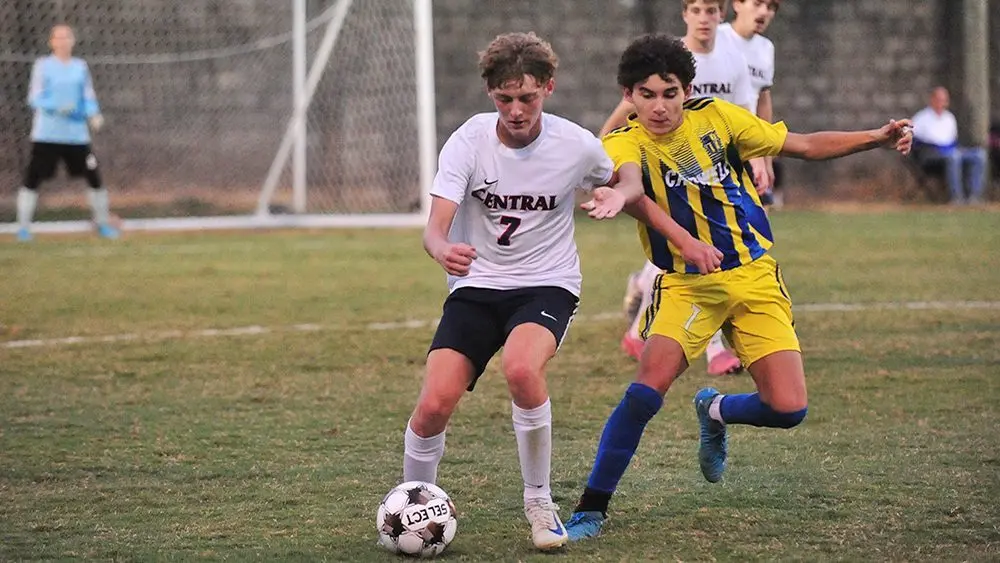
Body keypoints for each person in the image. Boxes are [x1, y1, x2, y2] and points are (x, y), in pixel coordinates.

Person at [562, 33, 913, 541]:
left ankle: (715, 408)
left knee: (789, 409)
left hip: (754, 277)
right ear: (628, 95)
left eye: (669, 92)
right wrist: (641, 212)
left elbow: (805, 145)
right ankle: (591, 508)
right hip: (688, 286)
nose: (659, 105)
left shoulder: (721, 118)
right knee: (643, 394)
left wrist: (875, 138)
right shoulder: (623, 141)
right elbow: (633, 186)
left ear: (686, 89)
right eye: (646, 94)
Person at [400, 32, 617, 551]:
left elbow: (617, 171)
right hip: (477, 286)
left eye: (527, 97)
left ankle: (539, 502)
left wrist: (615, 191)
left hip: (547, 283)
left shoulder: (575, 143)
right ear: (489, 92)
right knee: (434, 403)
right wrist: (440, 248)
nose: (516, 110)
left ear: (548, 87)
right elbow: (436, 226)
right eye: (504, 99)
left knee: (522, 369)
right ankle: (412, 503)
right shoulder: (469, 140)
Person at [614, 0, 756, 376]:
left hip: (718, 172)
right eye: (697, 10)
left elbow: (750, 115)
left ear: (721, 14)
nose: (704, 18)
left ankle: (638, 318)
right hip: (670, 167)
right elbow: (627, 110)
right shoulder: (666, 61)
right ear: (685, 14)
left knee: (684, 252)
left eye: (711, 10)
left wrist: (760, 162)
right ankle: (715, 350)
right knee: (694, 247)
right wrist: (602, 154)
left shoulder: (737, 59)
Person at [15, 24, 118, 242]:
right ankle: (23, 228)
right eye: (58, 38)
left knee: (94, 177)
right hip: (47, 135)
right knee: (33, 178)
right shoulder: (43, 66)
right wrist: (55, 106)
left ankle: (102, 224)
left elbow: (88, 96)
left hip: (76, 136)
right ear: (51, 42)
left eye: (67, 37)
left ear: (73, 40)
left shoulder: (80, 67)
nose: (63, 42)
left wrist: (93, 114)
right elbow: (34, 97)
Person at [911, 86, 987, 205]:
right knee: (954, 157)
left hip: (951, 151)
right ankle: (956, 198)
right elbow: (914, 141)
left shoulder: (949, 118)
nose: (942, 103)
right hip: (930, 156)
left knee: (979, 155)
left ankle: (974, 198)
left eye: (944, 100)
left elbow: (953, 141)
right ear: (932, 99)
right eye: (939, 99)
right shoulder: (921, 118)